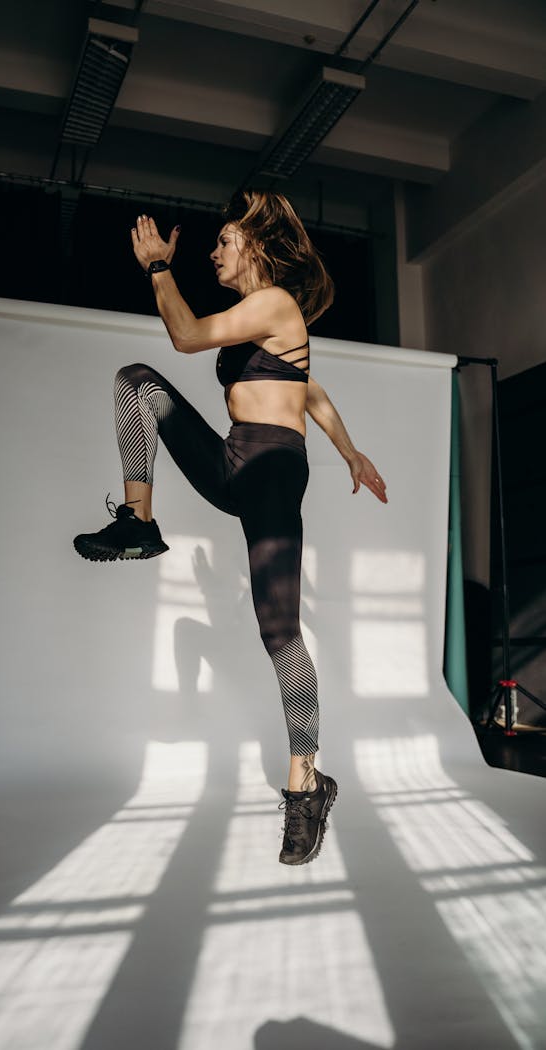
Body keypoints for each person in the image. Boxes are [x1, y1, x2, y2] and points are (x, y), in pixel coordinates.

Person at [73, 189, 388, 864]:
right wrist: (351, 449)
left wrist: (160, 268)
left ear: (258, 248)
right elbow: (312, 386)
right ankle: (139, 523)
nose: (213, 250)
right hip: (233, 460)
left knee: (280, 633)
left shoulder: (275, 303)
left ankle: (307, 784)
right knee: (137, 382)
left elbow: (187, 336)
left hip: (272, 471)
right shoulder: (255, 316)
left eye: (223, 240)